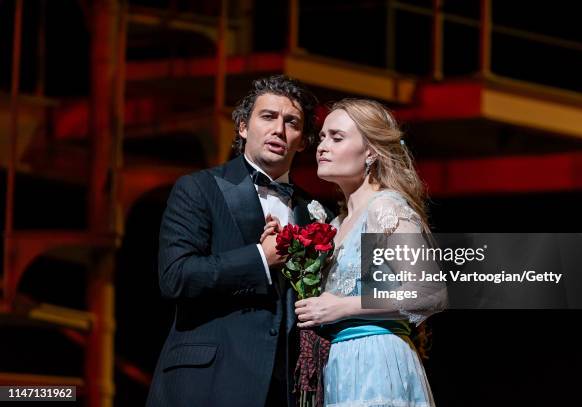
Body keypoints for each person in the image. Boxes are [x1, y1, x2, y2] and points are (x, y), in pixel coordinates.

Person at [146, 75, 327, 407]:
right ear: (243, 127)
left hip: (283, 388)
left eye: (292, 122)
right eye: (268, 116)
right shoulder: (199, 188)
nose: (279, 129)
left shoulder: (314, 211)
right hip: (209, 380)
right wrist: (260, 257)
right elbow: (175, 277)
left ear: (302, 142)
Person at [294, 99, 447, 406]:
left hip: (377, 361)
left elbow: (430, 292)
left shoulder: (385, 208)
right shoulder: (336, 223)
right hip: (340, 363)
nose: (322, 146)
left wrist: (344, 307)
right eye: (322, 137)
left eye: (337, 138)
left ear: (371, 152)